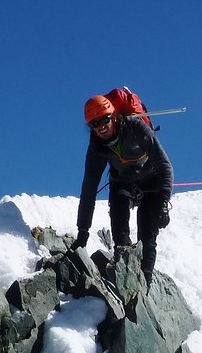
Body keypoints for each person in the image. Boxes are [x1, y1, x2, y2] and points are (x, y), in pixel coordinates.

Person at [75, 94, 174, 277]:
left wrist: (162, 204)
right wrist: (83, 230)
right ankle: (124, 271)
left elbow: (164, 165)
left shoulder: (135, 127)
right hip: (122, 181)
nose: (101, 127)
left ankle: (145, 281)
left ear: (113, 116)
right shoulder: (97, 146)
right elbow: (89, 188)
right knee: (120, 231)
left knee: (147, 238)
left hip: (151, 181)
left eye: (104, 119)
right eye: (95, 124)